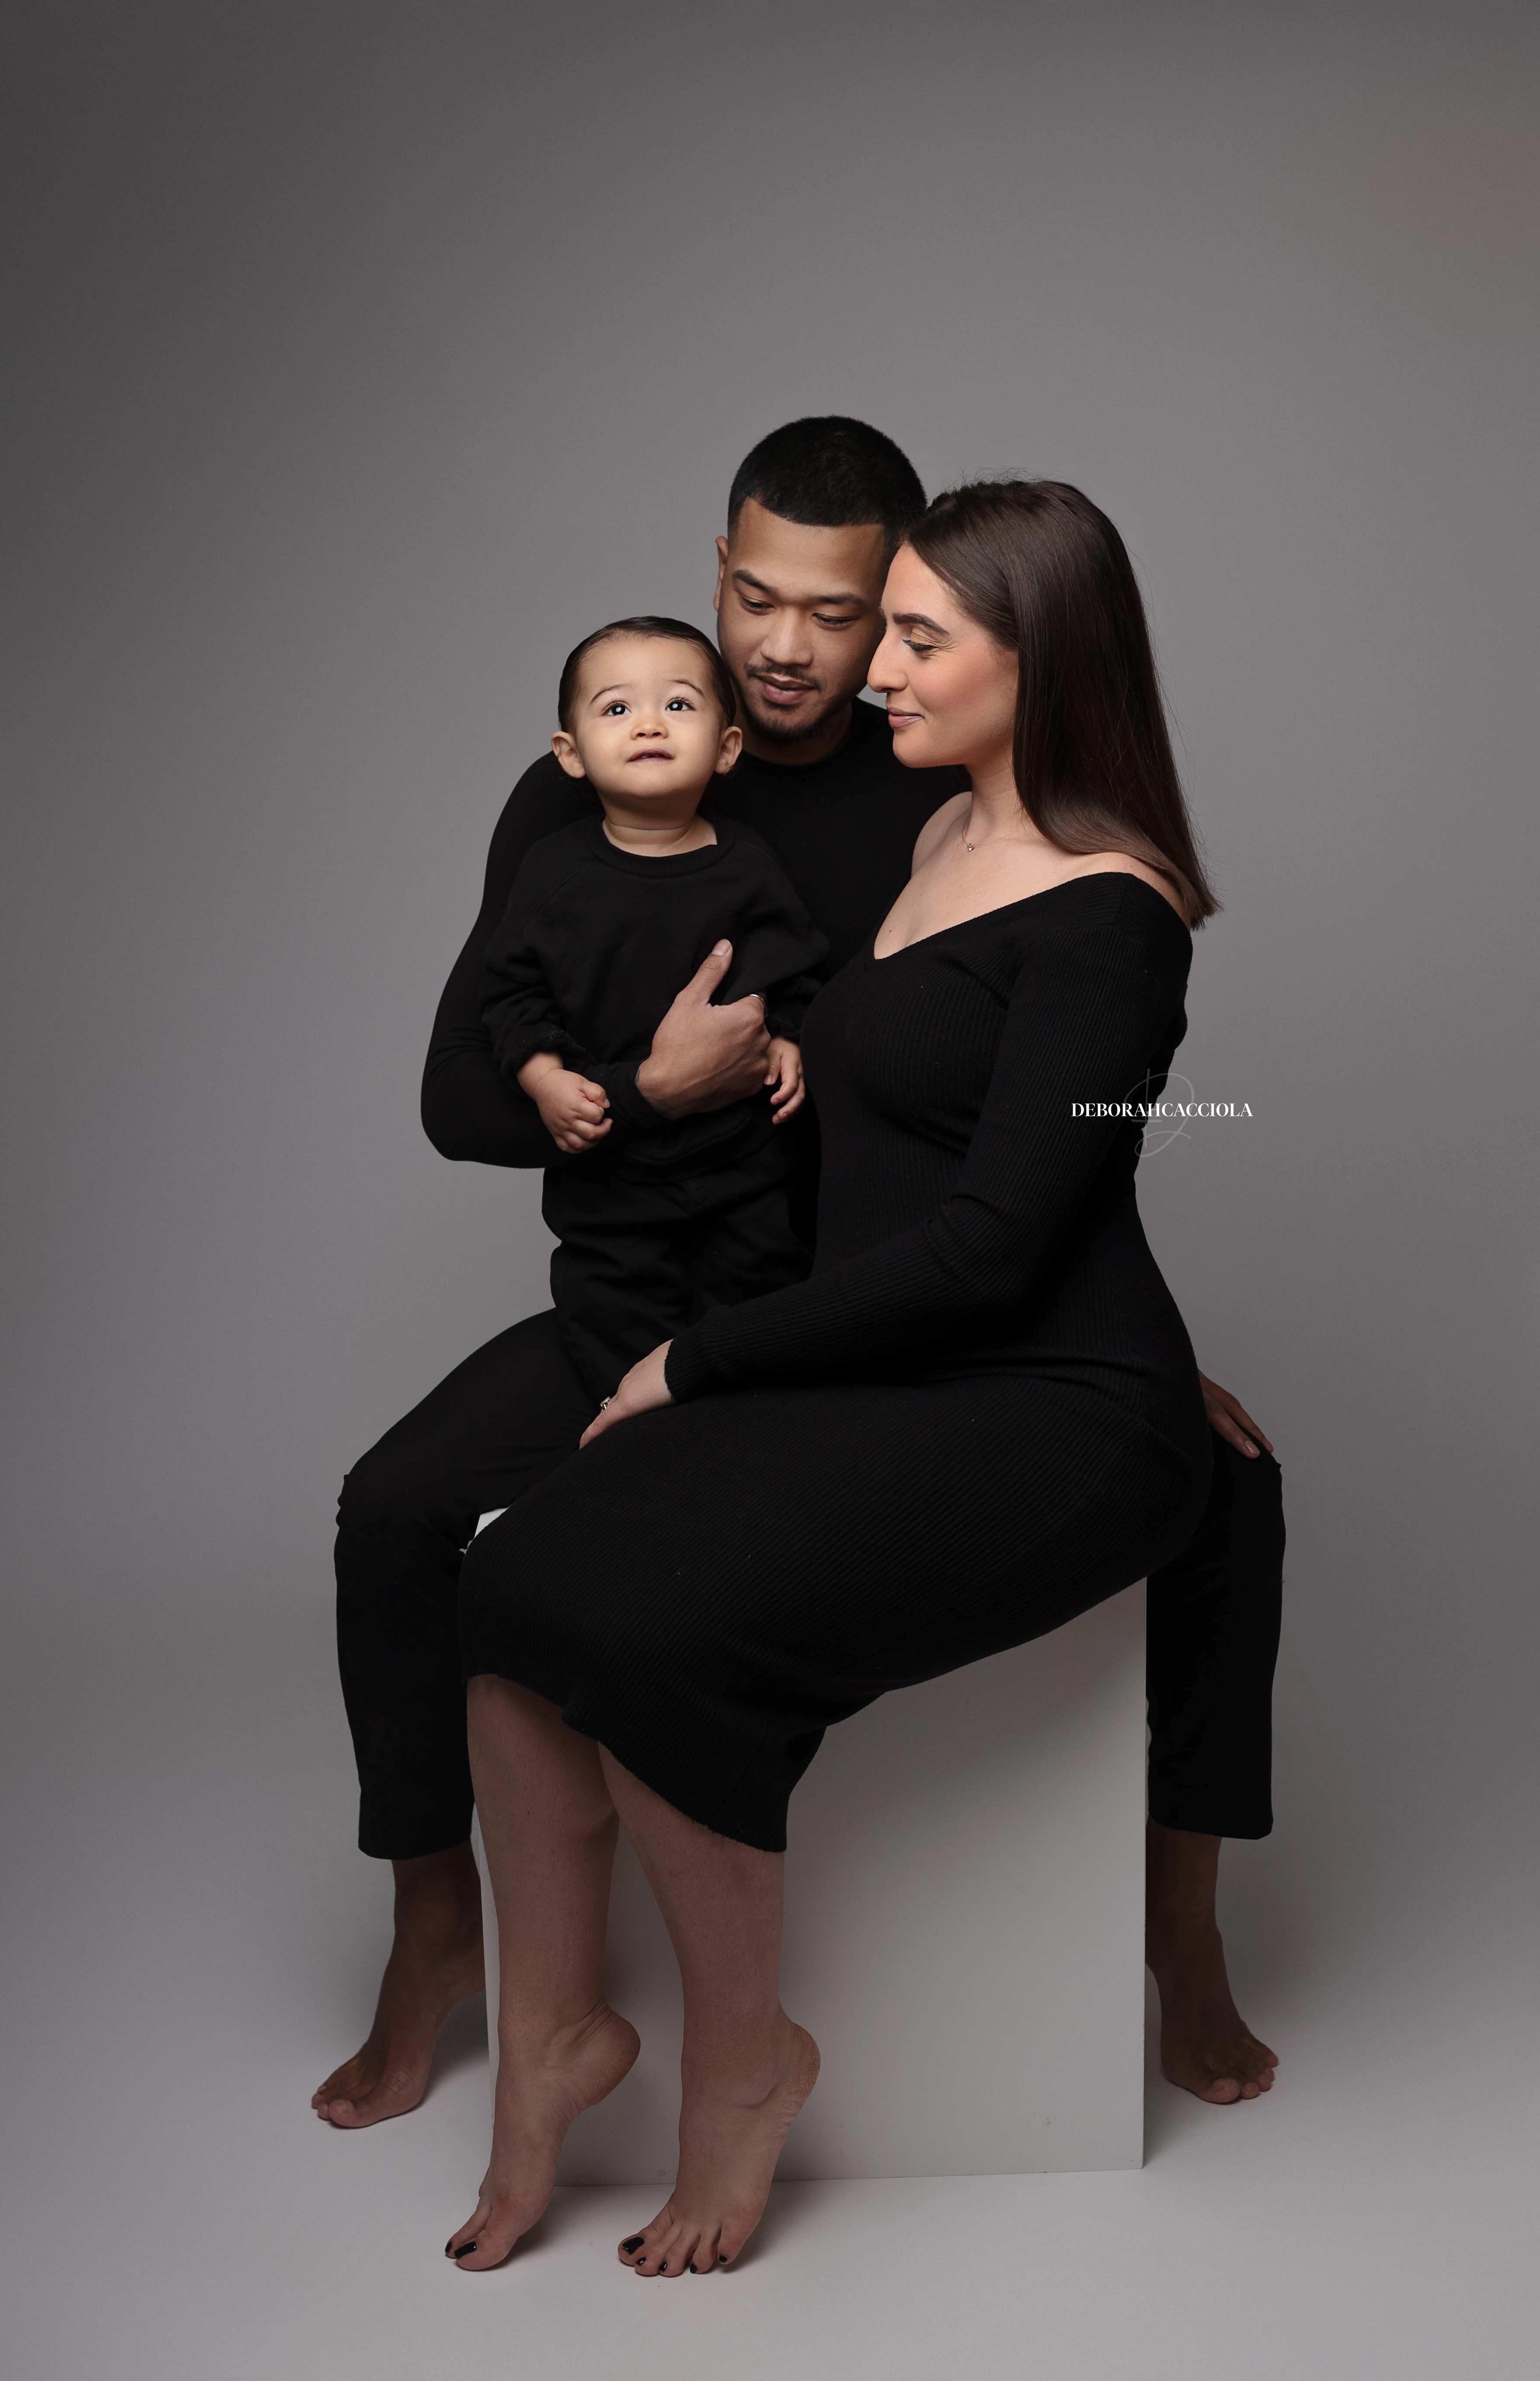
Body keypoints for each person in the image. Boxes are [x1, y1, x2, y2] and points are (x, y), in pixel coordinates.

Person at [318, 418, 1282, 2137]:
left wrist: (1089, 1313)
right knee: (396, 1515)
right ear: (714, 574)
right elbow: (462, 1096)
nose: (783, 650)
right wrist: (651, 1098)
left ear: (906, 608)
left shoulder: (942, 778)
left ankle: (1184, 1937)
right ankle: (429, 1931)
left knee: (1232, 1495)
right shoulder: (603, 775)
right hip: (663, 1283)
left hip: (864, 1301)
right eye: (753, 599)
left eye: (848, 616)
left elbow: (1035, 1106)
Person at [480, 614, 825, 1399]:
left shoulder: (746, 864)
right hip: (613, 1188)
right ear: (570, 754)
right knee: (615, 1343)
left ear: (727, 746)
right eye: (615, 710)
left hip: (745, 1172)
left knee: (759, 1325)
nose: (647, 725)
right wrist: (542, 1078)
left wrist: (789, 1039)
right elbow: (507, 994)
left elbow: (797, 964)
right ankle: (639, 1463)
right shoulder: (553, 872)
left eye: (677, 705)